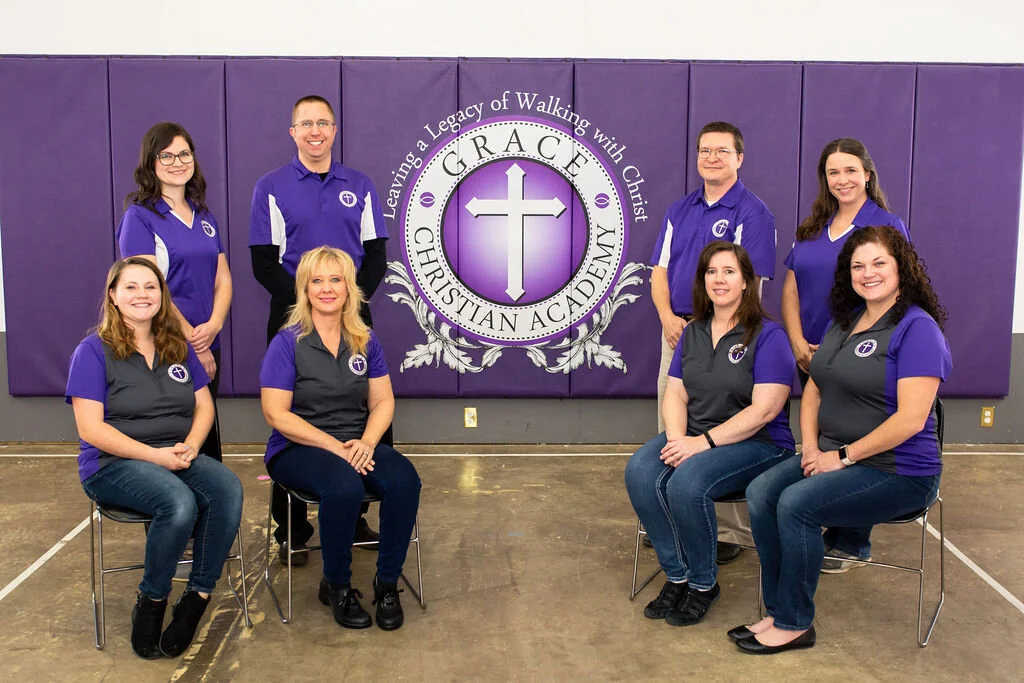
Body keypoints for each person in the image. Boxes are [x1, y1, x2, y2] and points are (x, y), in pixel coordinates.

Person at [737, 226, 950, 654]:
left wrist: (843, 457)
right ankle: (779, 609)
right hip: (831, 454)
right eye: (858, 266)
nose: (868, 273)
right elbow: (814, 387)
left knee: (796, 504)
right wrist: (812, 447)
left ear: (902, 268)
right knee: (761, 492)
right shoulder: (845, 321)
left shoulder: (917, 329)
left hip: (899, 471)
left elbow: (911, 420)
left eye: (879, 263)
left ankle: (794, 623)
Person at [66, 258, 243, 659]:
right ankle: (152, 600)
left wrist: (192, 445)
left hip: (175, 452)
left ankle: (196, 597)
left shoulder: (177, 346)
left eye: (150, 287)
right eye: (131, 287)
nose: (142, 295)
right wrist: (154, 457)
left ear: (162, 296)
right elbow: (91, 429)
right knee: (178, 503)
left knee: (227, 488)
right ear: (113, 296)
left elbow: (204, 407)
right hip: (112, 463)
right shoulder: (92, 351)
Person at [626, 242, 795, 627]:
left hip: (760, 444)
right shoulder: (693, 333)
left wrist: (700, 445)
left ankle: (703, 584)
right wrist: (677, 440)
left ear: (747, 281)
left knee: (687, 482)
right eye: (711, 272)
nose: (719, 279)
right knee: (640, 471)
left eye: (729, 271)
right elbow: (676, 393)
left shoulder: (768, 336)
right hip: (695, 435)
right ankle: (677, 575)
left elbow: (764, 410)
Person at [250, 95, 389, 562]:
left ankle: (356, 515)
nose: (315, 131)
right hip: (294, 315)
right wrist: (311, 304)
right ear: (293, 132)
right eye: (306, 124)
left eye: (323, 123)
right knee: (293, 415)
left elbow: (376, 256)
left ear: (334, 130)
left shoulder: (361, 185)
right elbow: (263, 262)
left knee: (363, 409)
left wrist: (345, 301)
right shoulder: (271, 186)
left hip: (352, 315)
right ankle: (291, 529)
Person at [259, 247, 420, 631]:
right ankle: (337, 585)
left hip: (355, 443)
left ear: (349, 288)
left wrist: (366, 443)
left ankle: (386, 583)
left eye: (335, 280)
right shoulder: (287, 342)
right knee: (344, 486)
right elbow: (276, 414)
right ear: (305, 289)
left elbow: (383, 402)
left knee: (404, 481)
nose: (327, 288)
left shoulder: (365, 340)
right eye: (317, 281)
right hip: (297, 448)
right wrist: (335, 448)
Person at [649, 121, 778, 562]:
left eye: (722, 151)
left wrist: (713, 330)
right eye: (705, 150)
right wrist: (669, 318)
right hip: (678, 332)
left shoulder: (753, 213)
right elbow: (660, 271)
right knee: (672, 419)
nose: (712, 158)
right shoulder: (679, 209)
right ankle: (674, 514)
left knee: (724, 423)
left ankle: (725, 531)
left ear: (739, 158)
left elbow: (750, 283)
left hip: (724, 334)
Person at [780, 138, 910, 573]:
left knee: (857, 441)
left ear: (867, 175)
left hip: (861, 357)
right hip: (813, 354)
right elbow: (792, 288)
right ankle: (823, 519)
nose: (842, 179)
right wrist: (797, 341)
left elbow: (899, 291)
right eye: (833, 172)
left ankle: (853, 541)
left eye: (851, 170)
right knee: (823, 438)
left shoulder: (886, 225)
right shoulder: (812, 228)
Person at [118, 122, 232, 462]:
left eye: (184, 154)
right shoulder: (140, 217)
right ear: (150, 163)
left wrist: (213, 326)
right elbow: (149, 292)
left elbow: (223, 279)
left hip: (208, 340)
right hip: (166, 343)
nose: (177, 162)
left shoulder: (204, 216)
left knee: (205, 435)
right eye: (166, 156)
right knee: (174, 436)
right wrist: (194, 342)